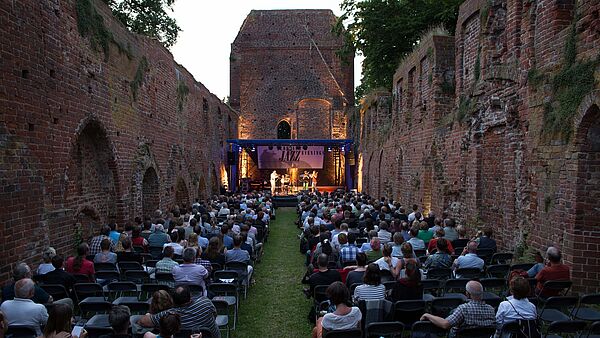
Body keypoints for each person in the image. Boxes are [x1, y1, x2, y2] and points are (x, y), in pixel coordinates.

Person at [136, 286, 220, 338]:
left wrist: (149, 314)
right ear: (190, 297)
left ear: (173, 300)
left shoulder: (169, 315)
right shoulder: (205, 301)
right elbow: (214, 315)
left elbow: (142, 322)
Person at [420, 281, 496, 336]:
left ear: (467, 294)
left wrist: (427, 315)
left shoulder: (464, 309)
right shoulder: (491, 310)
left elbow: (445, 324)